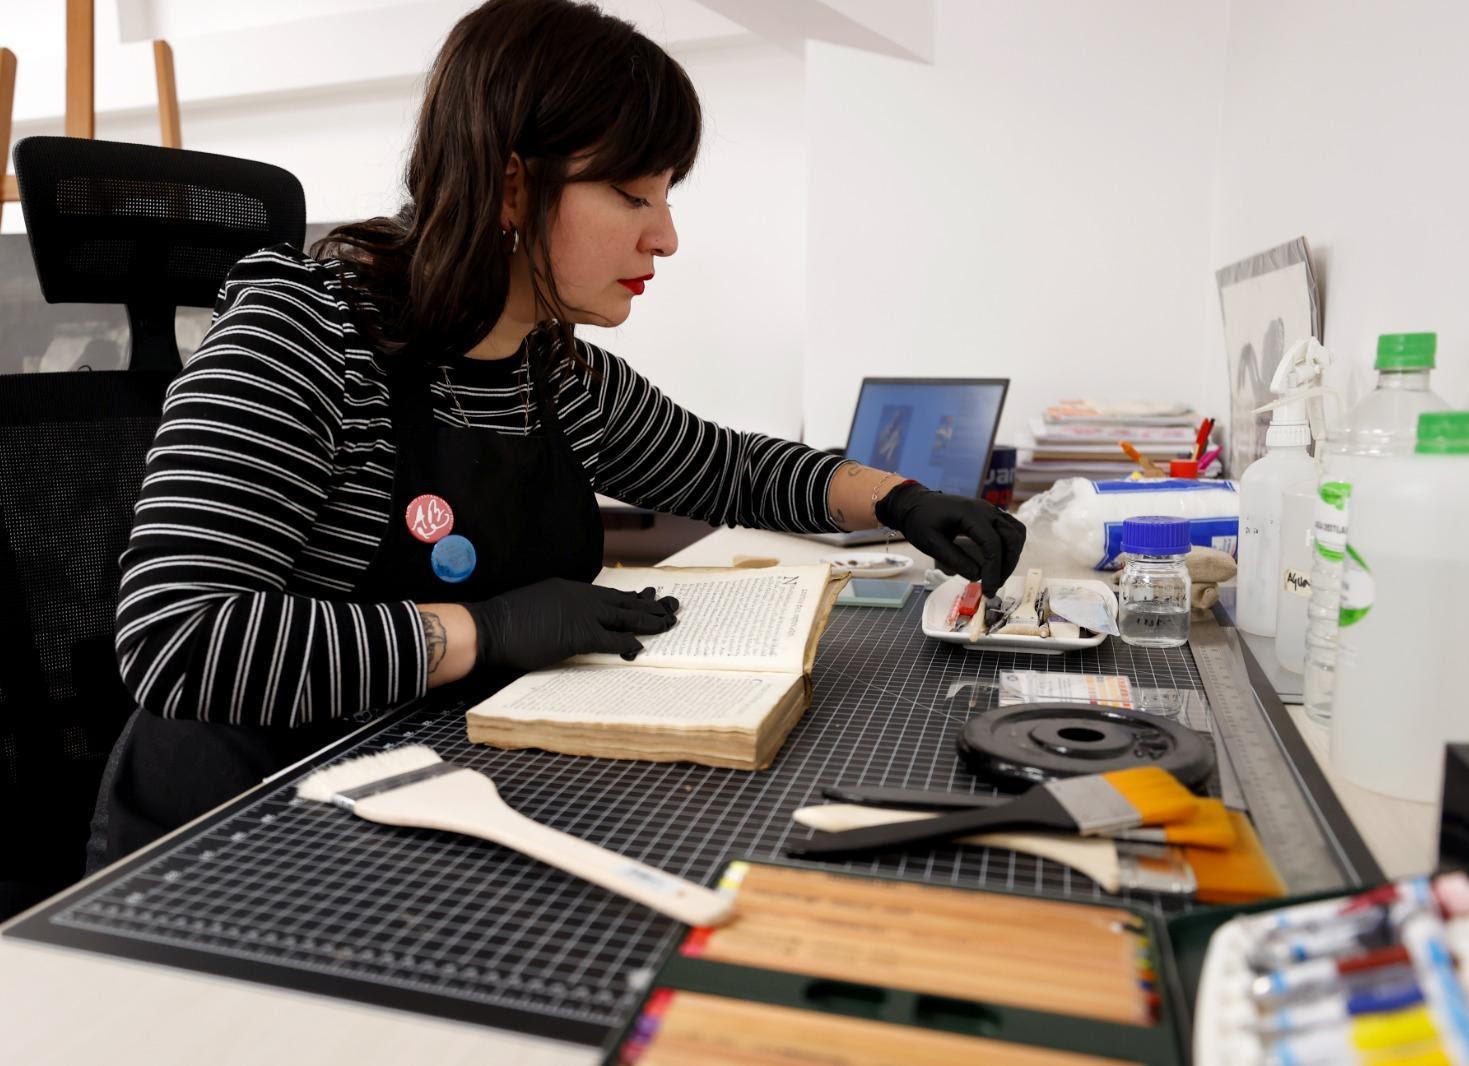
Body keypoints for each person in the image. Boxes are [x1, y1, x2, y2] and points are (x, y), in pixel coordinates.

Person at [88, 0, 1025, 867]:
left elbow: (731, 468)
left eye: (667, 194)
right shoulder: (304, 339)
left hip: (438, 788)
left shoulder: (551, 372)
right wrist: (486, 631)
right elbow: (179, 640)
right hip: (248, 829)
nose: (666, 237)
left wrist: (899, 500)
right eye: (632, 194)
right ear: (511, 187)